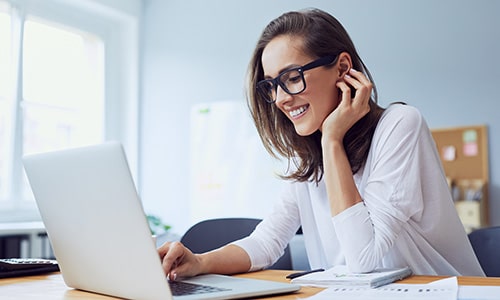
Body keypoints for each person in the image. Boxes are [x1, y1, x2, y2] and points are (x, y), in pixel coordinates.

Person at [158, 8, 485, 279]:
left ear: (342, 68)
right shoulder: (308, 160)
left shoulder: (400, 125)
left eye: (292, 77)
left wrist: (332, 140)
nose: (281, 99)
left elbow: (363, 260)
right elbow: (267, 242)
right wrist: (199, 262)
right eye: (272, 85)